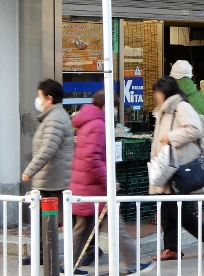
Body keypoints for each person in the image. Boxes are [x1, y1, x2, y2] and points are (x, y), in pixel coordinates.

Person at [68, 91, 154, 275]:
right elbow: (93, 158)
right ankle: (133, 263)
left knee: (82, 231)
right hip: (95, 188)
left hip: (86, 185)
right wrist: (109, 180)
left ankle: (67, 266)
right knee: (115, 226)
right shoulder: (98, 125)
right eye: (114, 107)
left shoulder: (87, 121)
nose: (115, 111)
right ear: (105, 106)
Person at [150, 77, 204, 261]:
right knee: (168, 208)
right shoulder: (164, 110)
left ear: (166, 91)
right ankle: (171, 248)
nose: (156, 95)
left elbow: (194, 129)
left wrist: (171, 136)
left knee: (175, 209)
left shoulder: (180, 107)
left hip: (178, 167)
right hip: (166, 167)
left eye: (158, 91)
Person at [21, 79, 74, 266]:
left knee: (63, 221)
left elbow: (47, 149)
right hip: (48, 178)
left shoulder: (56, 118)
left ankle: (80, 253)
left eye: (39, 96)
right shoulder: (51, 117)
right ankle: (42, 255)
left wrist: (30, 171)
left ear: (49, 98)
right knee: (43, 222)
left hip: (55, 179)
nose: (38, 100)